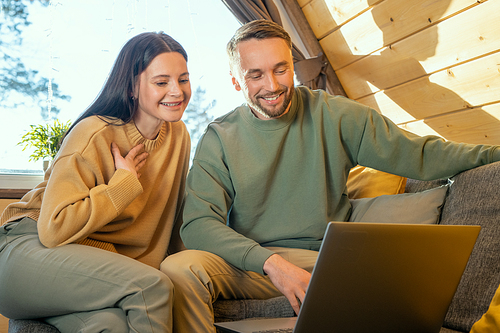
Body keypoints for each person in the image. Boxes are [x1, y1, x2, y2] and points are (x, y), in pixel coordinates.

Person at [159, 19, 500, 333]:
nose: (273, 85)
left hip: (321, 258)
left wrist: (495, 154)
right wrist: (272, 263)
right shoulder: (219, 137)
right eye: (256, 75)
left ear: (292, 66)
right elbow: (198, 223)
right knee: (178, 270)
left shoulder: (334, 115)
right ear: (236, 80)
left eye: (281, 69)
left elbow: (424, 156)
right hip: (250, 263)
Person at [0, 31, 191, 333]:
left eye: (183, 79)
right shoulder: (94, 133)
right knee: (151, 288)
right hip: (23, 251)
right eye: (161, 82)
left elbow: (173, 221)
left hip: (83, 267)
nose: (177, 91)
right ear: (132, 87)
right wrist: (121, 187)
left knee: (110, 324)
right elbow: (52, 229)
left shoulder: (178, 137)